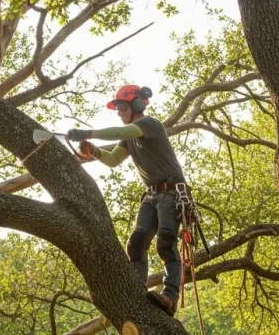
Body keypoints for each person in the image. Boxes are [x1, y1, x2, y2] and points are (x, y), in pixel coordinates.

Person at [67, 84, 190, 316]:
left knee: (165, 242)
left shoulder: (149, 124)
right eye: (117, 110)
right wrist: (94, 150)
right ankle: (136, 290)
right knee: (136, 242)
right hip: (151, 195)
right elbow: (114, 159)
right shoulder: (130, 137)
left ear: (136, 104)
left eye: (122, 108)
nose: (119, 113)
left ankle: (170, 297)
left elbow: (121, 132)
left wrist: (89, 133)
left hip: (171, 192)